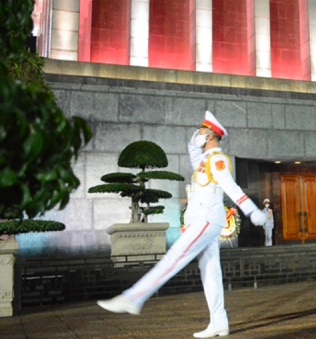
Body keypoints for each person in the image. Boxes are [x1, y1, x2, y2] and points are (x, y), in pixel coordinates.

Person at [97, 111, 267, 338]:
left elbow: (232, 188)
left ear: (209, 136)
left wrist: (253, 212)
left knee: (175, 256)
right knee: (210, 272)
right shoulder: (205, 160)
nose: (197, 133)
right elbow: (192, 150)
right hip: (205, 220)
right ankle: (219, 322)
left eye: (201, 131)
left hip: (207, 220)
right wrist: (195, 139)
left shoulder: (216, 160)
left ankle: (133, 298)